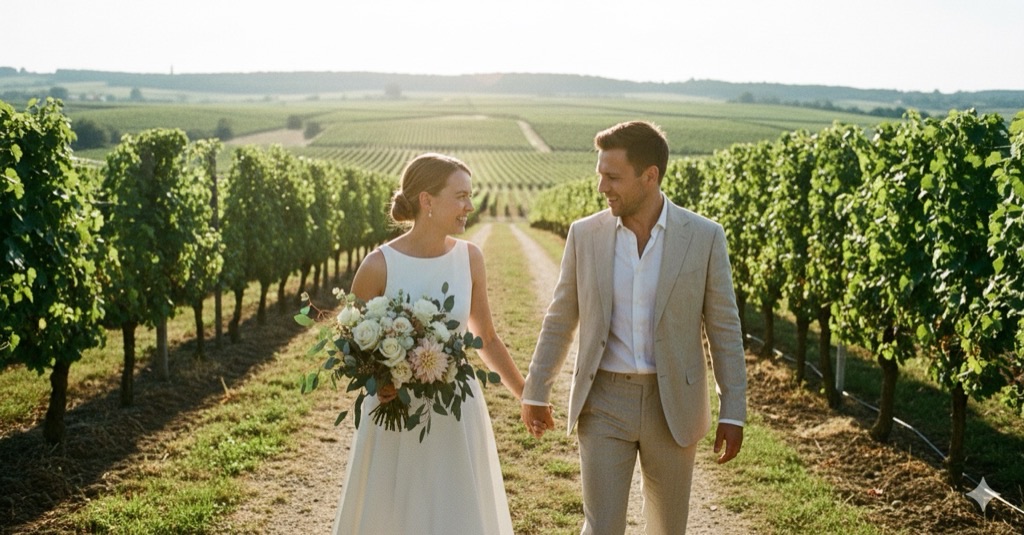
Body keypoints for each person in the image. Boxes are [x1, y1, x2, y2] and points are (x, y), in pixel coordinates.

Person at [520, 121, 747, 534]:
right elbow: (559, 318)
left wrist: (734, 410)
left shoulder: (704, 237)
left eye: (613, 177)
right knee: (602, 527)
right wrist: (536, 389)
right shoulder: (584, 235)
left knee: (667, 528)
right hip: (604, 400)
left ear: (650, 176)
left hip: (673, 402)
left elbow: (725, 330)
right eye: (600, 175)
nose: (602, 187)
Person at [333, 153, 524, 534]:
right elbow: (348, 343)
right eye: (461, 196)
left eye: (470, 196)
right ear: (427, 200)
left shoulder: (470, 258)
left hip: (455, 409)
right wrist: (380, 380)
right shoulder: (377, 265)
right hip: (395, 414)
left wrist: (526, 394)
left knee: (454, 511)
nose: (470, 206)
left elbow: (485, 335)